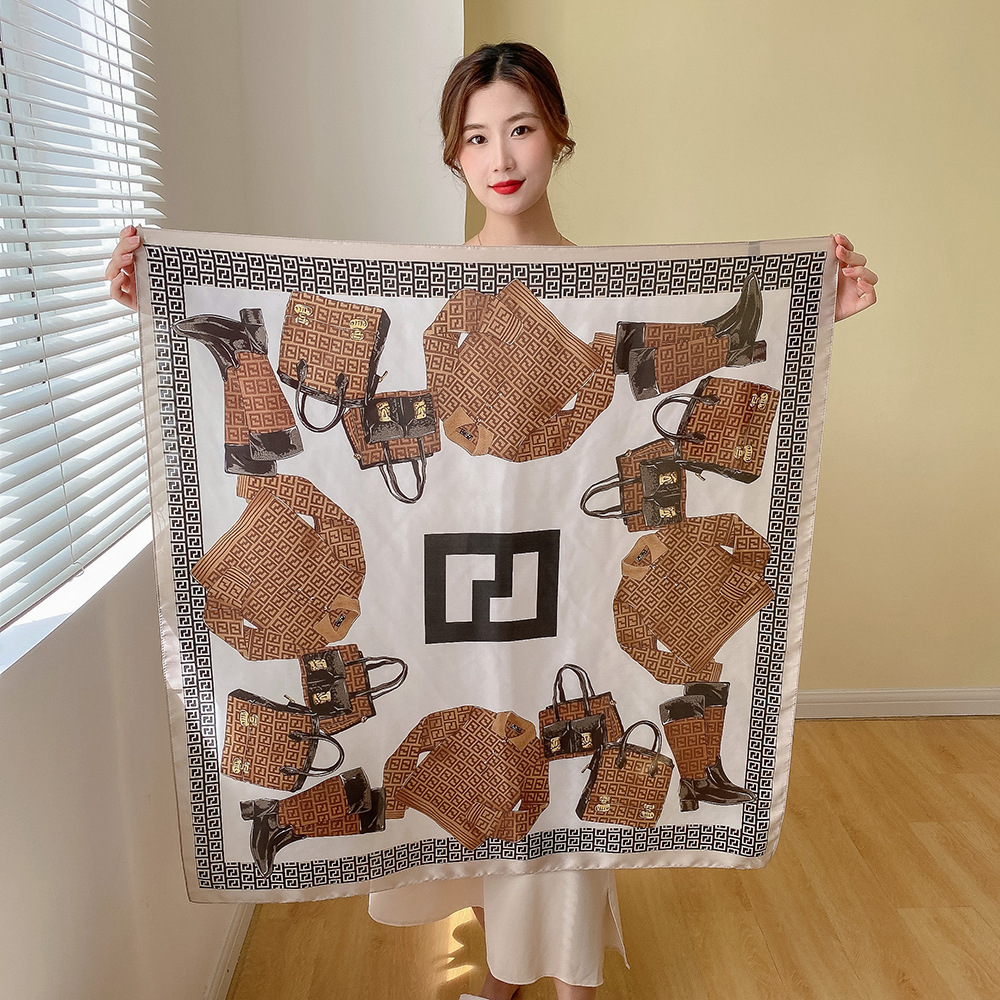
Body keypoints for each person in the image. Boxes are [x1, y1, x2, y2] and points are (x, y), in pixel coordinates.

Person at [106, 41, 878, 1000]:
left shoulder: (614, 293)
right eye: (476, 137)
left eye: (520, 128)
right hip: (450, 598)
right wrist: (157, 295)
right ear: (453, 153)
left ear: (558, 134)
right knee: (472, 785)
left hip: (564, 591)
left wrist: (819, 311)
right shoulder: (418, 294)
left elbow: (620, 415)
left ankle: (569, 985)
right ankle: (506, 979)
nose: (500, 157)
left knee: (563, 791)